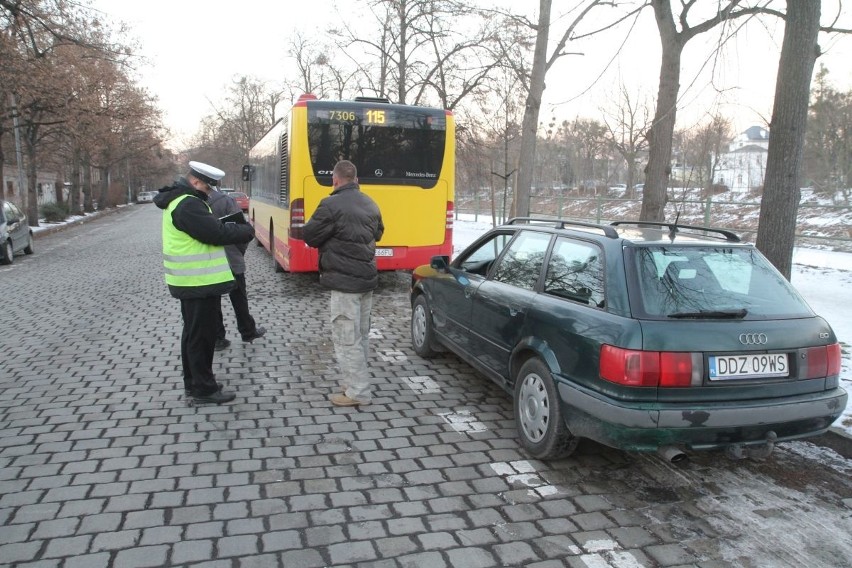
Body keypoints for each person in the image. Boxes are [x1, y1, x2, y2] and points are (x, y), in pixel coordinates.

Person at [154, 161, 255, 405]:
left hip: (191, 282)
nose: (210, 192)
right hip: (197, 282)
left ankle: (196, 382)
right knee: (201, 337)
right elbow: (215, 233)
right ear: (196, 182)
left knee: (193, 334)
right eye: (208, 187)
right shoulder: (188, 204)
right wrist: (245, 231)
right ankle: (203, 389)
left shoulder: (181, 201)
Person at [303, 160, 384, 407]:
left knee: (346, 338)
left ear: (335, 180)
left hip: (344, 282)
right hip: (367, 280)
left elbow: (310, 235)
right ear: (356, 180)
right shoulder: (370, 202)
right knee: (359, 335)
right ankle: (352, 382)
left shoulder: (330, 204)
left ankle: (358, 392)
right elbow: (379, 233)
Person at [206, 187, 266, 351]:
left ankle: (218, 338)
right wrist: (239, 251)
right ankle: (248, 331)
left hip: (207, 261)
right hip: (230, 257)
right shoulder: (225, 201)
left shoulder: (195, 204)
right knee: (239, 297)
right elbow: (242, 230)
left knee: (213, 300)